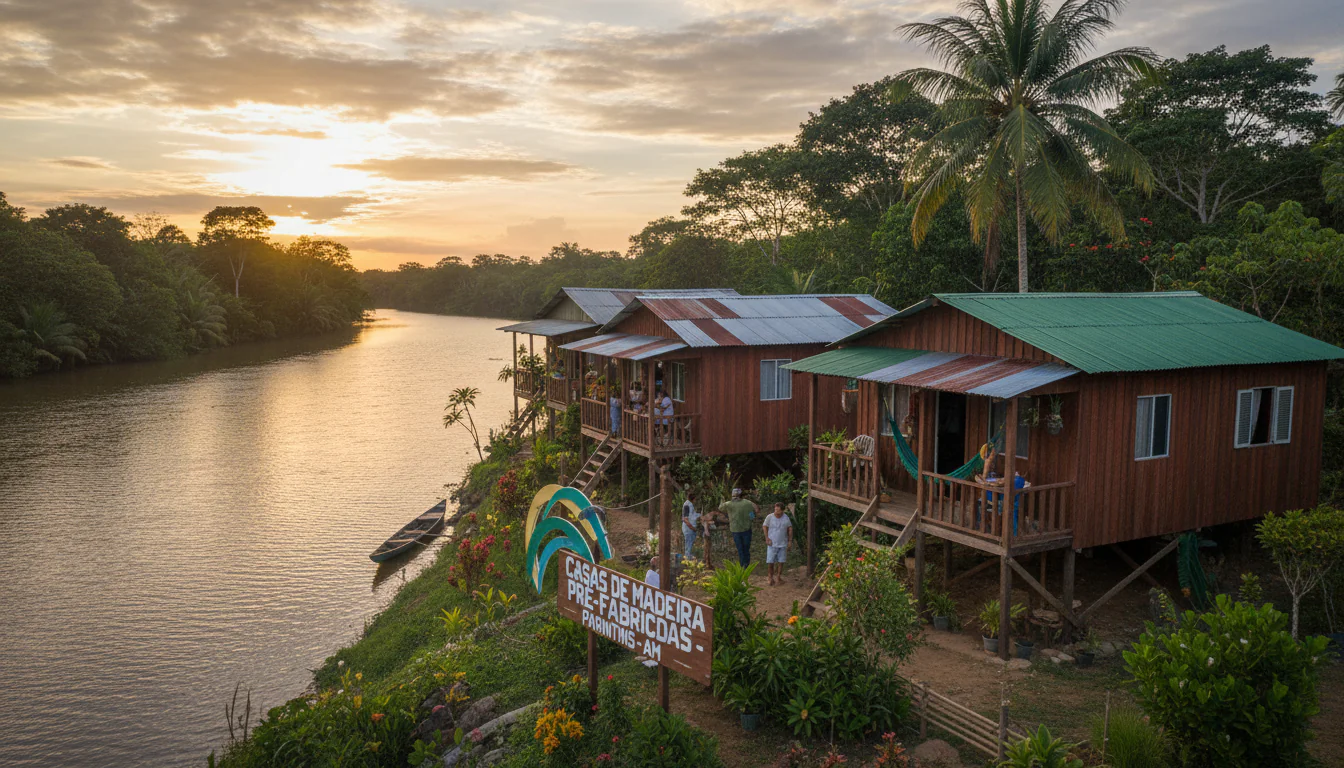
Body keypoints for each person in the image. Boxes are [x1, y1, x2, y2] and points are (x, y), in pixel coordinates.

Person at [719, 488, 757, 569]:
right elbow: (752, 516)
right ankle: (746, 565)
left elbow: (720, 508)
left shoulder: (728, 504)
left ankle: (743, 566)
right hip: (747, 529)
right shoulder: (747, 503)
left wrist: (722, 499)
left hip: (735, 530)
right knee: (746, 549)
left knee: (740, 549)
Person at [762, 502, 793, 586]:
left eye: (778, 510)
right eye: (775, 509)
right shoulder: (769, 517)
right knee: (770, 561)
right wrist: (766, 537)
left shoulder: (786, 518)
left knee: (781, 561)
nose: (776, 511)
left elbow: (790, 528)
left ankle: (778, 576)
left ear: (782, 511)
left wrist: (790, 541)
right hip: (772, 543)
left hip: (782, 543)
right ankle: (770, 577)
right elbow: (765, 526)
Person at [681, 492, 701, 561]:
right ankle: (687, 561)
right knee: (688, 546)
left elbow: (692, 515)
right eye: (695, 499)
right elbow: (685, 519)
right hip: (688, 529)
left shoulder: (690, 505)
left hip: (690, 529)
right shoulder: (687, 505)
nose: (696, 501)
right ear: (693, 499)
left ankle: (688, 559)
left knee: (690, 545)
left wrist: (700, 515)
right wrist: (692, 528)